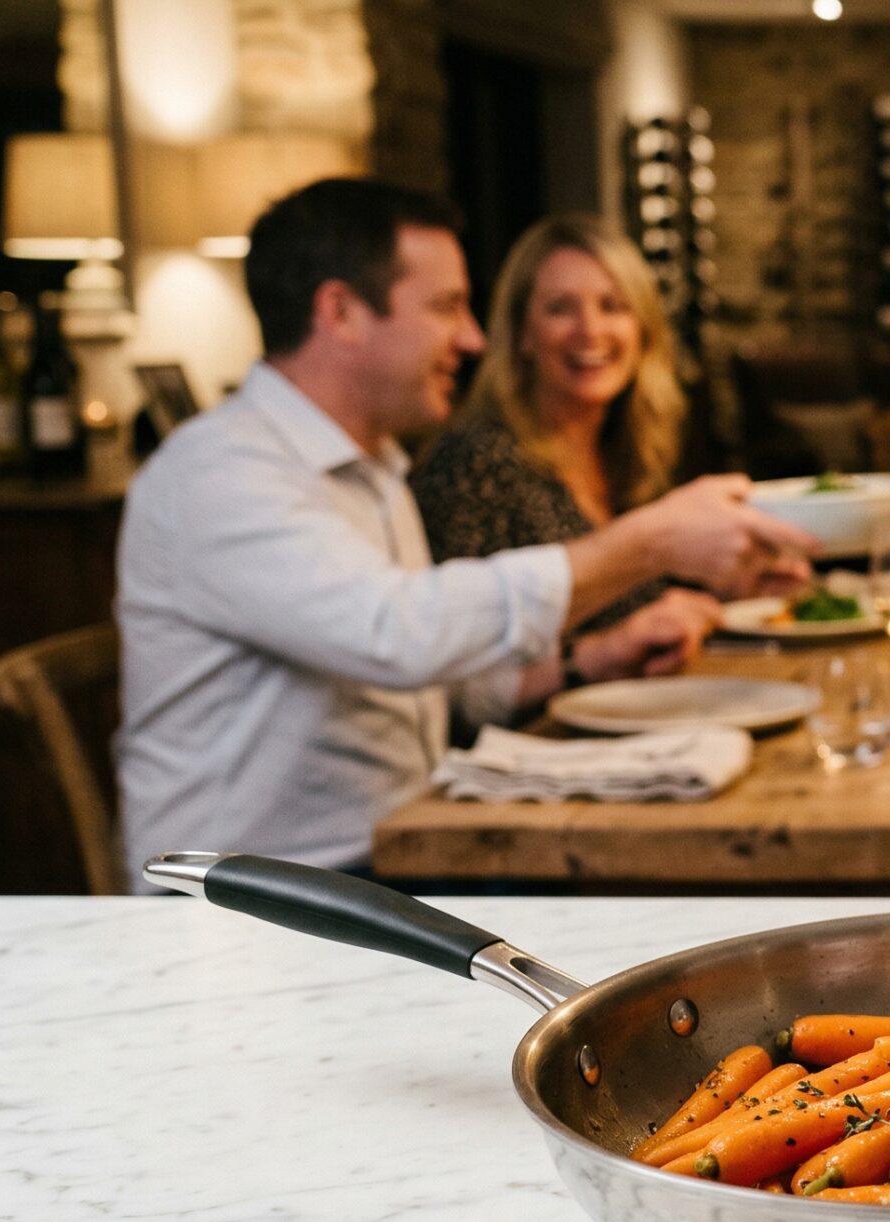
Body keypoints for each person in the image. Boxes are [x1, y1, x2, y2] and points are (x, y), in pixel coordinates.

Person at [117, 179, 811, 888]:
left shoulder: (373, 469)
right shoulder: (221, 471)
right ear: (342, 313)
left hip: (399, 853)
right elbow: (396, 634)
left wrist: (593, 659)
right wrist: (647, 544)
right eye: (448, 307)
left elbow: (434, 691)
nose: (474, 338)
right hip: (266, 899)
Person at [413, 214, 766, 633]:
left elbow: (638, 611)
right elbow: (459, 657)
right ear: (522, 333)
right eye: (560, 308)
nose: (590, 330)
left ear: (643, 330)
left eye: (612, 306)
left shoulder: (629, 452)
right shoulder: (474, 462)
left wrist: (732, 589)